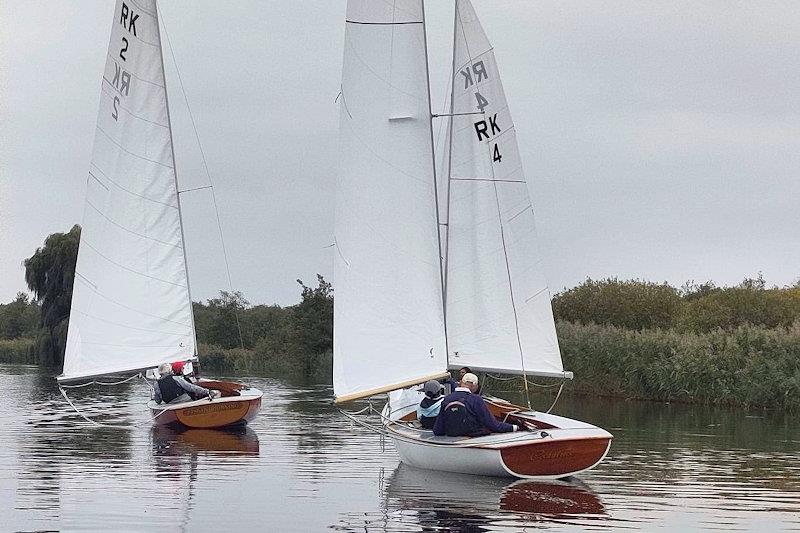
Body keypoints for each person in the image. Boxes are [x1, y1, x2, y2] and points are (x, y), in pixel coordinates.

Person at [433, 373, 525, 437]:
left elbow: (437, 430)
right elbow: (493, 425)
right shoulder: (476, 400)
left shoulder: (446, 399)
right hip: (474, 437)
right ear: (474, 386)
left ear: (461, 382)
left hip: (452, 436)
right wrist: (515, 427)